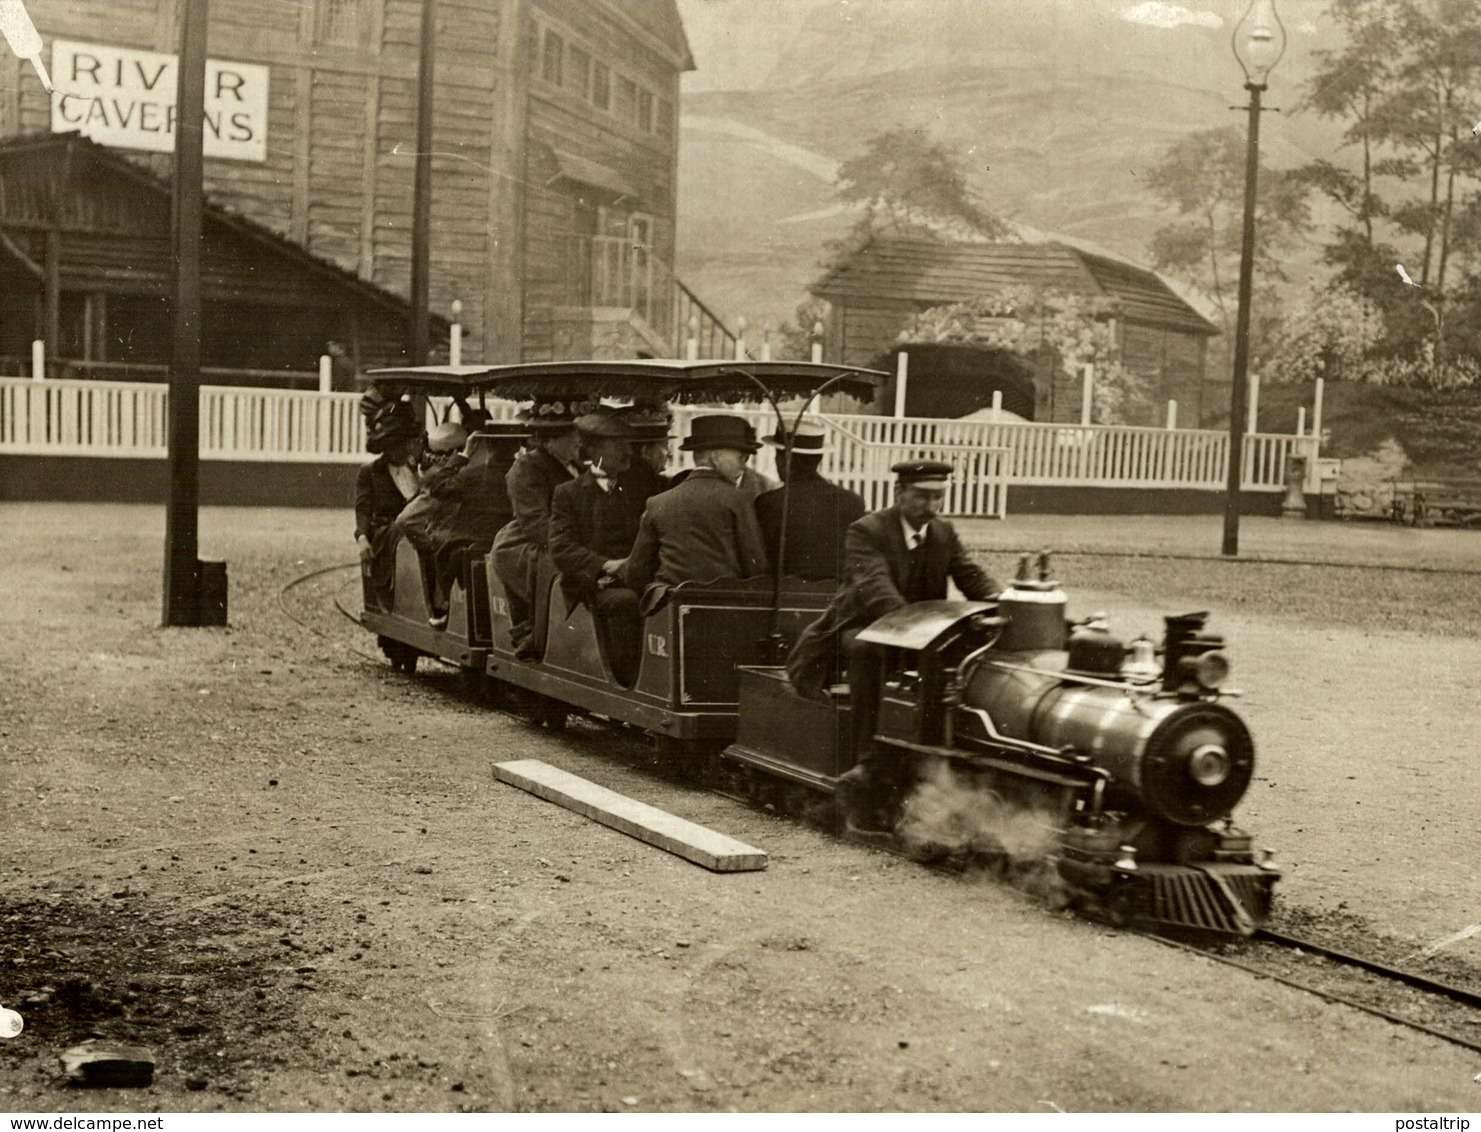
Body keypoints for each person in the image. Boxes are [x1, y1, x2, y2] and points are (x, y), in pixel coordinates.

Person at [785, 459, 1000, 830]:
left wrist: (1004, 601)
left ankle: (941, 748)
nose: (931, 506)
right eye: (922, 497)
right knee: (866, 650)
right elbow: (875, 586)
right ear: (898, 493)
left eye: (938, 498)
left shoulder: (943, 532)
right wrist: (914, 628)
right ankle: (867, 758)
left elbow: (969, 575)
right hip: (862, 625)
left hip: (924, 633)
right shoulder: (866, 531)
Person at [549, 411, 657, 684]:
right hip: (594, 584)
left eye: (628, 443)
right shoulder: (568, 493)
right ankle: (627, 683)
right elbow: (562, 548)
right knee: (626, 602)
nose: (627, 451)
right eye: (617, 444)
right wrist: (606, 565)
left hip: (639, 577)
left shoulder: (642, 488)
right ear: (593, 449)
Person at [620, 414, 770, 611]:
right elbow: (757, 568)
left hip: (669, 607)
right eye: (740, 457)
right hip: (723, 608)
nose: (743, 465)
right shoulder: (739, 500)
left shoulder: (658, 502)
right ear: (715, 457)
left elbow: (635, 573)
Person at [491, 398, 588, 656]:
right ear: (549, 440)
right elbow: (535, 523)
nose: (579, 441)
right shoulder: (526, 467)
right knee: (554, 563)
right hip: (524, 543)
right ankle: (536, 633)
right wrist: (577, 546)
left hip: (568, 540)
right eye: (572, 435)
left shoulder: (577, 467)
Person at [754, 416, 866, 581]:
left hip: (785, 597)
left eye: (777, 456)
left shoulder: (769, 503)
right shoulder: (852, 502)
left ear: (784, 459)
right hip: (837, 598)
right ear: (818, 459)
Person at [354, 399, 423, 610]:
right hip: (388, 532)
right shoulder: (371, 472)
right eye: (397, 444)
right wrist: (363, 537)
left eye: (405, 443)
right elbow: (363, 508)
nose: (403, 449)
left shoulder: (420, 468)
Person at [615, 405, 673, 498]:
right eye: (665, 445)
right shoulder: (651, 489)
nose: (670, 453)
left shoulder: (617, 481)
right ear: (647, 452)